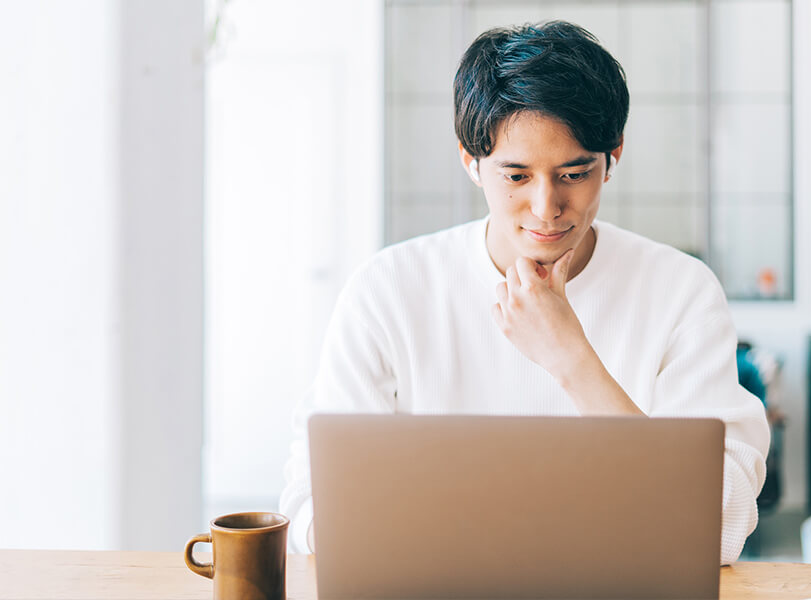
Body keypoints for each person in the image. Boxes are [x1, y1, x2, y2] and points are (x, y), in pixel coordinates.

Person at [279, 20, 769, 565]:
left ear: (613, 155)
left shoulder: (682, 292)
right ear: (471, 161)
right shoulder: (388, 290)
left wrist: (572, 360)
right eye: (516, 177)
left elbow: (720, 528)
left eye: (574, 173)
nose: (546, 207)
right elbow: (308, 503)